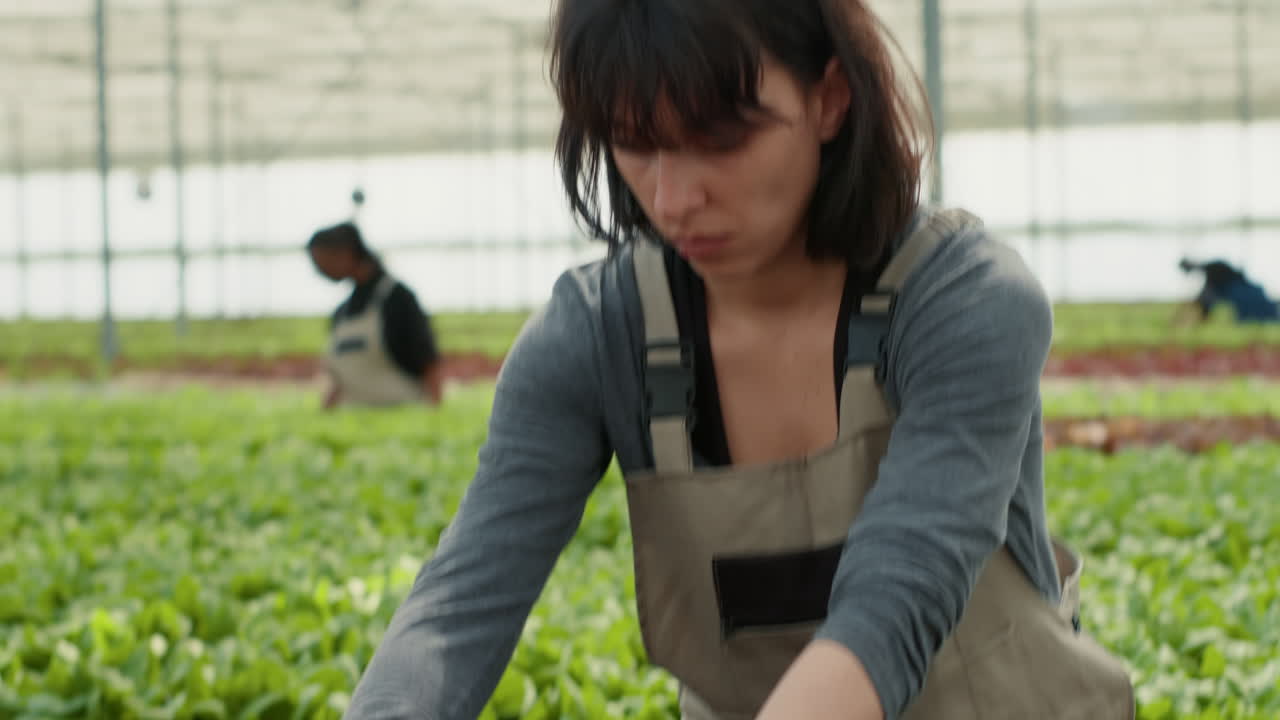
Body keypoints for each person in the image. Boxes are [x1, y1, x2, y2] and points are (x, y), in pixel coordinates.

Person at [344, 1, 1134, 719]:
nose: (674, 196)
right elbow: (462, 605)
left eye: (720, 139)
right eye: (635, 144)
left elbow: (900, 591)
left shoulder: (963, 300)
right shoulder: (594, 336)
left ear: (830, 99)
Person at [307, 222, 444, 408]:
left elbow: (429, 362)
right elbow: (338, 380)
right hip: (354, 420)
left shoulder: (398, 298)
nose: (319, 271)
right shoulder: (341, 312)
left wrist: (435, 410)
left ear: (345, 253)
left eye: (321, 262)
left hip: (404, 413)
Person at [1178, 257, 1278, 324]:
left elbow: (1206, 295)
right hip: (1241, 291)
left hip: (1242, 291)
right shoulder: (1211, 270)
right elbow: (1205, 296)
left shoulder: (1212, 270)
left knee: (1257, 314)